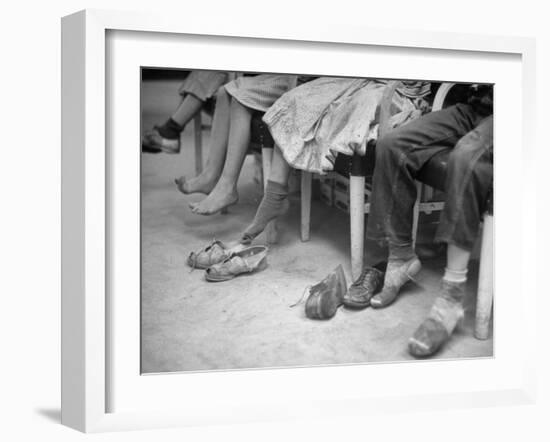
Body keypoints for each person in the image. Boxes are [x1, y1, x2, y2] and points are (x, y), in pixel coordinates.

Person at [364, 84, 493, 357]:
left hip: (519, 111)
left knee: (466, 156)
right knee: (391, 144)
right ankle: (401, 259)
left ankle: (450, 299)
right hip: (475, 107)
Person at [176, 74, 299, 215]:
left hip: (297, 79)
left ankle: (227, 187)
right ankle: (209, 176)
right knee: (224, 91)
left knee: (241, 97)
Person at [142, 70, 229, 154]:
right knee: (205, 73)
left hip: (236, 104)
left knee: (210, 74)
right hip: (221, 97)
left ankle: (171, 131)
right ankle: (171, 130)